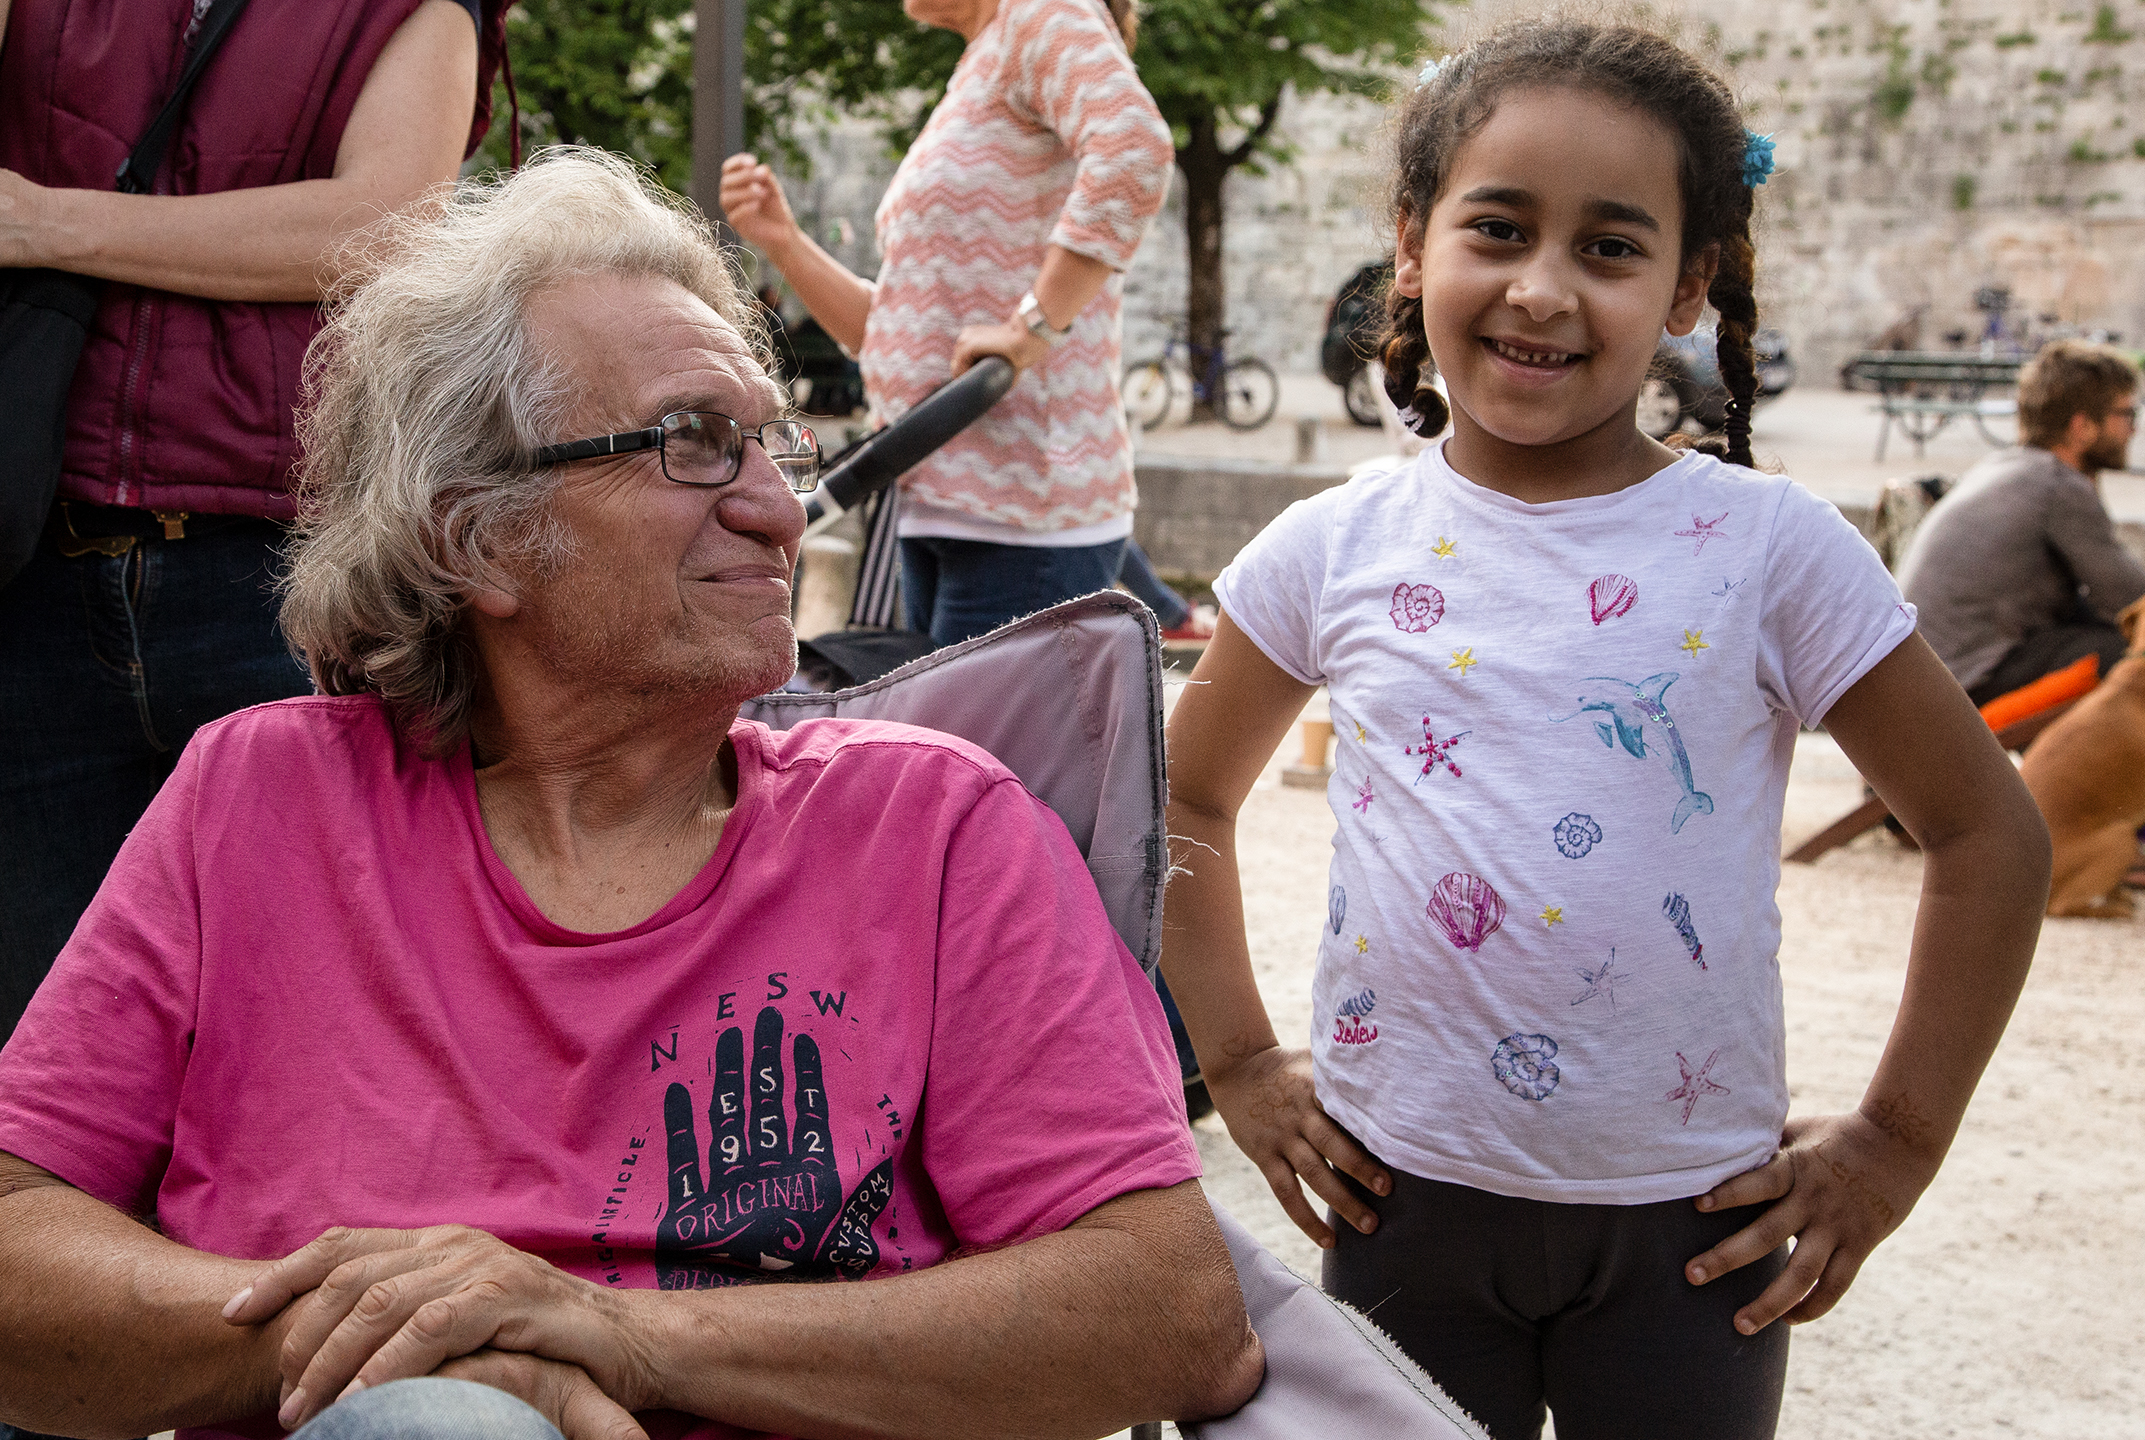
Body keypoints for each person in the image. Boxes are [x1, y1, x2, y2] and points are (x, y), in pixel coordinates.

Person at [0, 151, 1261, 1440]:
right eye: (694, 443)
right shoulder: (262, 803)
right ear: (478, 539)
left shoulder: (934, 828)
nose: (778, 509)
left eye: (771, 442)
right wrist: (409, 1354)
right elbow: (16, 1244)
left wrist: (618, 1338)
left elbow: (1174, 1312)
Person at [1157, 22, 2048, 1440]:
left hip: (1692, 1230)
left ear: (1690, 284)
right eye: (1498, 228)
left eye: (1612, 247)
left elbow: (1987, 830)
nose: (1542, 288)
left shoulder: (1771, 552)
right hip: (1404, 1198)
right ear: (1412, 242)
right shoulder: (1333, 549)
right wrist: (1241, 1061)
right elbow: (1181, 797)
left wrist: (1895, 1143)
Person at [0, 0, 504, 1040]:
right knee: (43, 1044)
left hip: (283, 570)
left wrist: (49, 223)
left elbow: (381, 229)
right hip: (30, 557)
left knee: (306, 1023)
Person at [720, 0, 1174, 648]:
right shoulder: (982, 60)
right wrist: (784, 243)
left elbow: (1134, 146)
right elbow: (894, 333)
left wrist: (1030, 330)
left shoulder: (1041, 13)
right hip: (937, 502)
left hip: (1021, 511)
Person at [1896, 339, 2145, 706]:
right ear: (2082, 426)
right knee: (2140, 656)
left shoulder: (2004, 467)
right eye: (2127, 414)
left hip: (1931, 675)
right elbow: (2135, 601)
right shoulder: (2058, 485)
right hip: (1968, 683)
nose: (2134, 429)